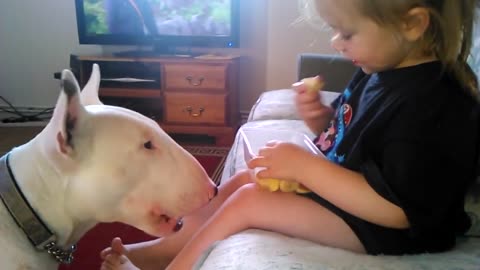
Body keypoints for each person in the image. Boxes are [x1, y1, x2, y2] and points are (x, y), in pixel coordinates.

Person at [100, 0, 480, 269]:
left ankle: (178, 267)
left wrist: (304, 168)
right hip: (354, 199)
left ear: (412, 24)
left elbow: (400, 211)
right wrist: (320, 119)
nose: (335, 43)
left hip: (393, 230)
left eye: (347, 32)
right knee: (246, 179)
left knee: (251, 200)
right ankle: (166, 249)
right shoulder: (380, 69)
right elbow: (357, 137)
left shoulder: (432, 102)